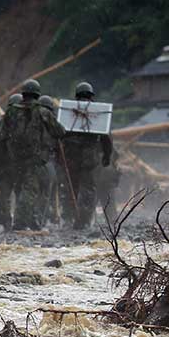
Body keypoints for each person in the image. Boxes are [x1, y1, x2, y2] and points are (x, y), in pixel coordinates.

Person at [0, 79, 65, 231]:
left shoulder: (12, 111)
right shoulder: (43, 112)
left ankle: (28, 221)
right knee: (30, 190)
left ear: (23, 93)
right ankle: (21, 223)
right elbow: (60, 131)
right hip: (34, 158)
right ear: (37, 94)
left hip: (15, 158)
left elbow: (3, 134)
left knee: (20, 188)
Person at [58, 81, 113, 230]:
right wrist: (107, 156)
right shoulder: (97, 113)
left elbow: (59, 135)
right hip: (89, 159)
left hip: (71, 158)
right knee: (87, 189)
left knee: (71, 188)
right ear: (91, 96)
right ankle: (83, 221)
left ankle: (68, 219)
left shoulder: (68, 112)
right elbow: (106, 138)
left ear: (77, 95)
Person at [0, 94, 22, 230]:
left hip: (3, 165)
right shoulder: (24, 124)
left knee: (4, 195)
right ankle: (20, 222)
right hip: (19, 165)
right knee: (20, 193)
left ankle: (6, 222)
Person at [38, 94, 61, 225]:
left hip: (34, 161)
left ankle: (41, 218)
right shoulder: (52, 123)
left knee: (36, 192)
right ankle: (43, 218)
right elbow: (61, 133)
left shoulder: (31, 120)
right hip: (48, 161)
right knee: (48, 192)